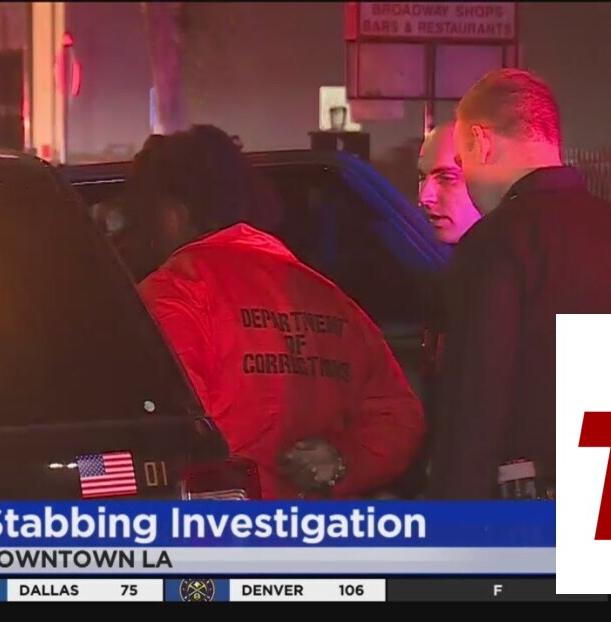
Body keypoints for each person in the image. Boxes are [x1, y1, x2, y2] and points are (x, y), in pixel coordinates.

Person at [426, 69, 611, 500]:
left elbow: (473, 408)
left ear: (481, 141)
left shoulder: (494, 243)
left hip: (532, 506)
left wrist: (454, 521)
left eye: (461, 162)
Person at [123, 125, 426, 499]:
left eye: (143, 217)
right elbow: (398, 416)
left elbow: (173, 428)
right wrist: (342, 460)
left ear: (173, 212)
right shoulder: (328, 297)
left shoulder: (174, 293)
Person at [395, 122, 483, 498]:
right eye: (422, 178)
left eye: (446, 178)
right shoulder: (450, 276)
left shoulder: (496, 281)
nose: (425, 197)